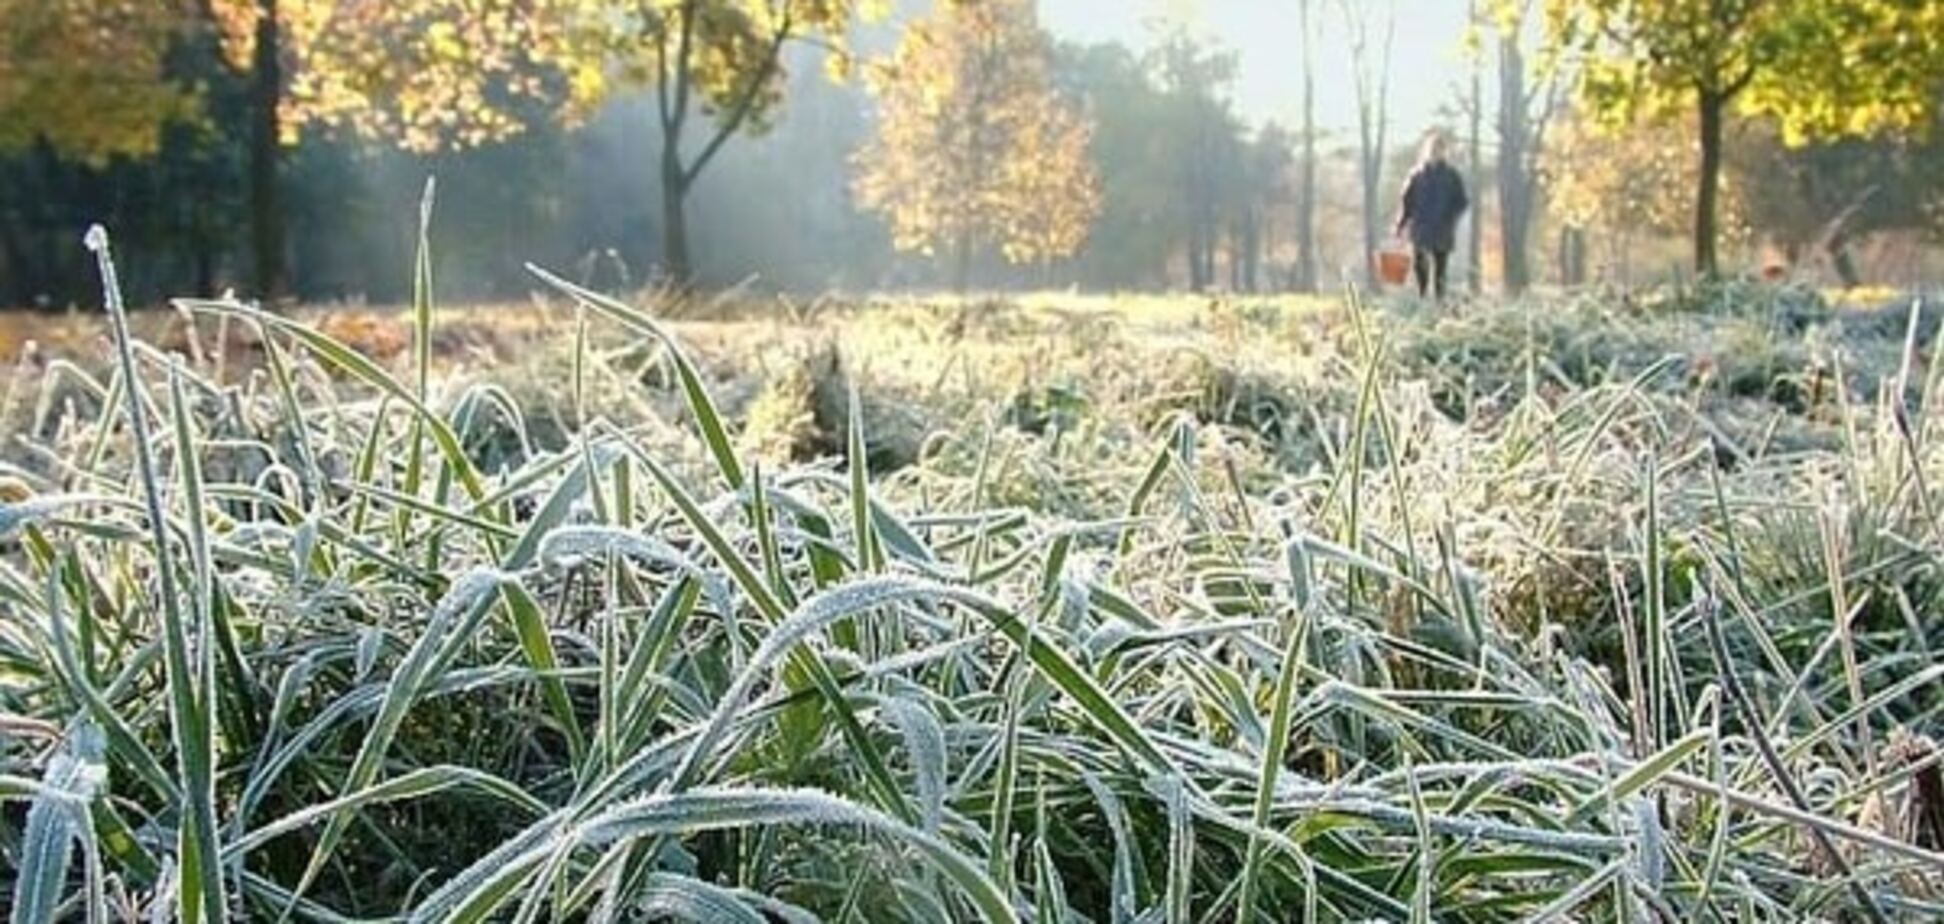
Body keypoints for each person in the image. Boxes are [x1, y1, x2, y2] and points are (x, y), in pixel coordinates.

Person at [1394, 132, 1469, 301]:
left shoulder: (1452, 176)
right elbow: (1407, 201)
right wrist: (1401, 224)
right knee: (1419, 264)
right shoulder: (1417, 175)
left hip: (1442, 227)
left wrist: (1451, 217)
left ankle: (1439, 300)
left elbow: (1462, 201)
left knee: (1440, 267)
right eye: (1433, 149)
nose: (1436, 153)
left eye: (1439, 150)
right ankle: (1422, 296)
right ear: (1427, 151)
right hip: (1421, 227)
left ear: (1444, 152)